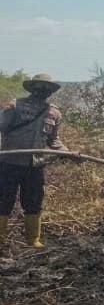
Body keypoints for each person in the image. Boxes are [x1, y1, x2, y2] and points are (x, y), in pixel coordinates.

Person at [0, 74, 69, 248]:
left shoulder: (54, 113)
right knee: (3, 201)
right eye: (40, 87)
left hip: (34, 166)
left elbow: (54, 141)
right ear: (32, 88)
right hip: (9, 162)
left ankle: (33, 241)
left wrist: (69, 153)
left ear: (50, 92)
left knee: (33, 202)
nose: (43, 91)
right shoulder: (15, 106)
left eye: (47, 88)